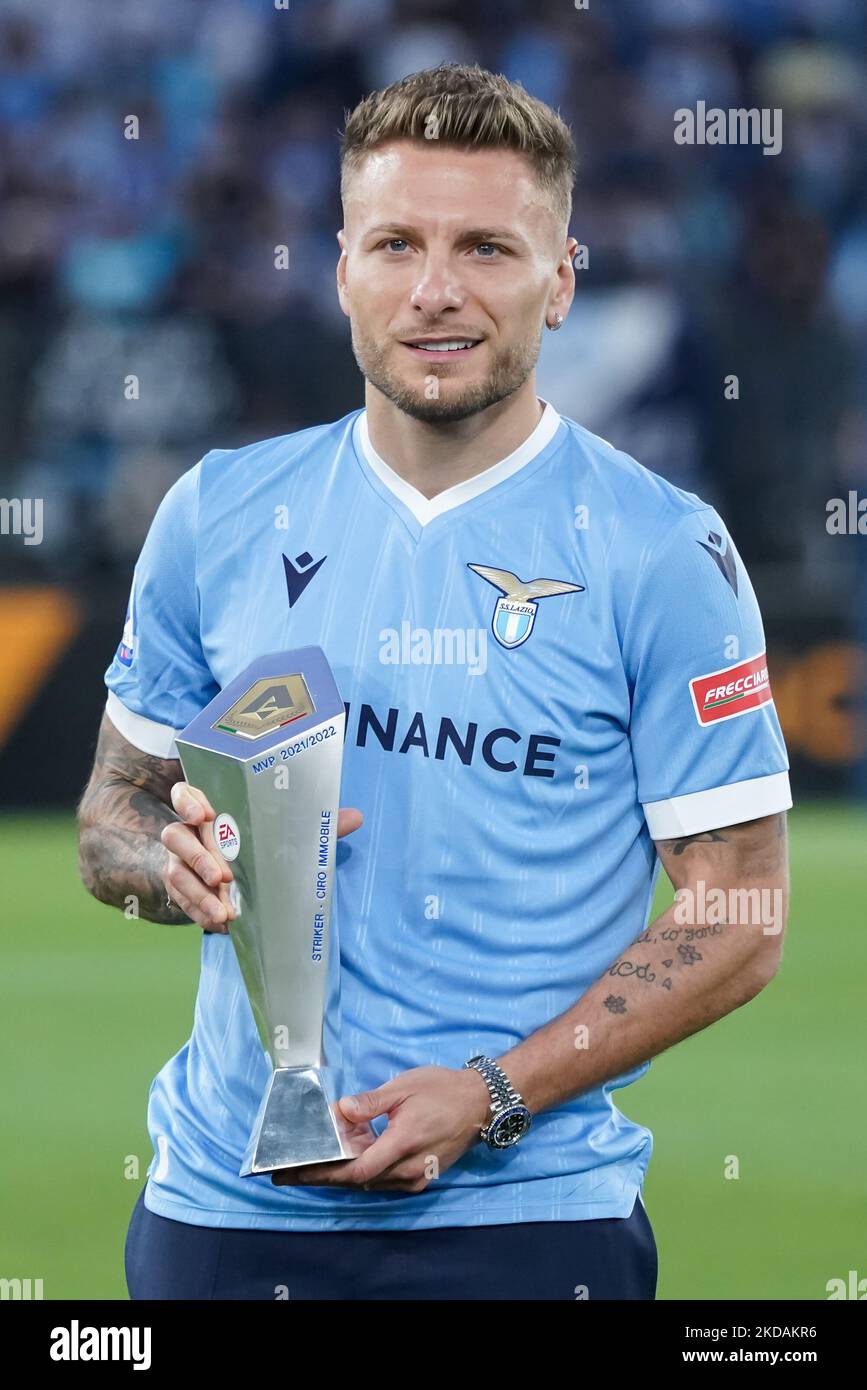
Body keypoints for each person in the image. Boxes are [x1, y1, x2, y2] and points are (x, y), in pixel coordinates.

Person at [77, 63, 792, 1301]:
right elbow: (113, 811)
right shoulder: (218, 513)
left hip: (526, 1217)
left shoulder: (662, 551)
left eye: (487, 249)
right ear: (342, 266)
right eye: (397, 243)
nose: (436, 290)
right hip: (221, 1211)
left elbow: (738, 915)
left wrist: (496, 1094)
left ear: (562, 279)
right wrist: (169, 861)